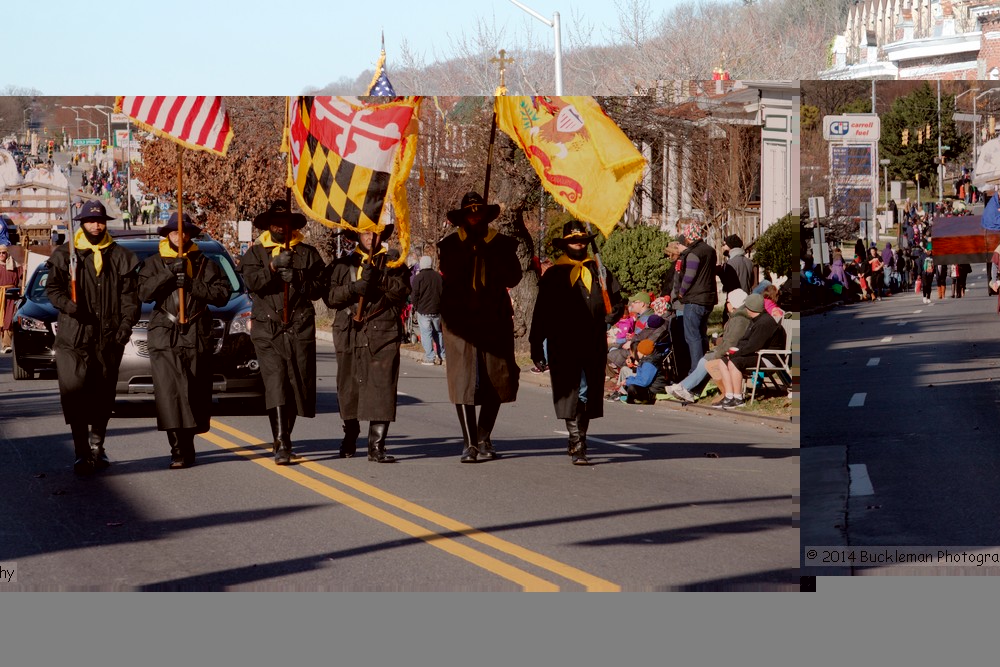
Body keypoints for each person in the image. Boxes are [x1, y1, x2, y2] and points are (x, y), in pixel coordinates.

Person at [46, 200, 139, 475]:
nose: (95, 226)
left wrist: (125, 327)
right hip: (74, 337)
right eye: (90, 221)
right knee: (75, 392)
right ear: (81, 223)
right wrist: (67, 304)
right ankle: (81, 452)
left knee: (103, 394)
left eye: (100, 221)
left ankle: (97, 448)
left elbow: (130, 298)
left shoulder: (120, 256)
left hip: (108, 337)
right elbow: (53, 289)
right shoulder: (66, 255)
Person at [137, 212, 229, 468]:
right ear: (168, 234)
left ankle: (188, 442)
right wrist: (168, 273)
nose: (180, 236)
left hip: (197, 331)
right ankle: (177, 449)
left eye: (185, 232)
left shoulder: (206, 263)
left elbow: (222, 294)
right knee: (170, 392)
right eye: (175, 232)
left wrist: (190, 283)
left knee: (194, 391)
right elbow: (143, 293)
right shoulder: (154, 263)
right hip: (165, 333)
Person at [239, 200, 327, 465]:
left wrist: (297, 278)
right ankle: (282, 442)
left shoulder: (308, 253)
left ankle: (285, 433)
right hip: (267, 326)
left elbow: (318, 289)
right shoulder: (255, 254)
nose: (280, 228)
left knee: (294, 383)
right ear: (268, 225)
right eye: (275, 223)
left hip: (299, 325)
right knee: (275, 381)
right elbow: (251, 284)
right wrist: (273, 268)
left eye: (285, 224)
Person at [530, 221, 623, 465]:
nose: (578, 244)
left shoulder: (599, 270)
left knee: (587, 391)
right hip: (563, 341)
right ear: (565, 244)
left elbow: (617, 302)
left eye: (582, 240)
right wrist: (536, 344)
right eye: (573, 240)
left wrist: (610, 316)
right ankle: (577, 440)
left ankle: (580, 436)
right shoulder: (554, 274)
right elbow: (541, 313)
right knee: (572, 390)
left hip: (591, 339)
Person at [438, 192, 522, 463]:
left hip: (493, 319)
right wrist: (470, 250)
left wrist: (489, 253)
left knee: (497, 378)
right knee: (462, 379)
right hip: (460, 321)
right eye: (469, 213)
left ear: (486, 216)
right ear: (462, 217)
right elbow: (450, 274)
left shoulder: (503, 244)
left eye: (479, 213)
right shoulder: (449, 245)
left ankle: (484, 435)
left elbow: (514, 277)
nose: (474, 217)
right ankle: (469, 443)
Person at [324, 227, 411, 462]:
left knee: (382, 387)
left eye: (375, 232)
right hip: (349, 332)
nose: (370, 236)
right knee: (348, 387)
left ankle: (377, 445)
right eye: (365, 232)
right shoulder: (342, 265)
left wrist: (381, 279)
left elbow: (402, 293)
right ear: (357, 236)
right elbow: (330, 297)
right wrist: (353, 289)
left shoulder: (394, 263)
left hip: (382, 332)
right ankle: (350, 434)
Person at [668, 288, 751, 404]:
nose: (727, 304)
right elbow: (731, 339)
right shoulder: (738, 318)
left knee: (706, 361)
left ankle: (686, 388)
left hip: (736, 354)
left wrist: (717, 352)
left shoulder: (740, 319)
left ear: (734, 304)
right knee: (707, 360)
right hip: (734, 351)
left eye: (728, 301)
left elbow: (731, 342)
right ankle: (689, 389)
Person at [704, 293, 784, 409]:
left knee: (735, 362)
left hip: (768, 357)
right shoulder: (755, 320)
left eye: (746, 306)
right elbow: (744, 340)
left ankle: (738, 398)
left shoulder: (764, 323)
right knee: (723, 361)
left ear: (752, 308)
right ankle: (729, 396)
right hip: (758, 354)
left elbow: (753, 346)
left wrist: (736, 353)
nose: (745, 308)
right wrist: (731, 352)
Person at [675, 221, 718, 378]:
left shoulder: (694, 253)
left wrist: (681, 292)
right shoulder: (710, 250)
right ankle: (706, 369)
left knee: (692, 337)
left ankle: (695, 372)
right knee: (702, 335)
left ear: (688, 237)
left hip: (694, 299)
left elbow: (689, 275)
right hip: (709, 298)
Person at [410, 254, 445, 366]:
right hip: (437, 309)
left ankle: (430, 357)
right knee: (437, 332)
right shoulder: (438, 277)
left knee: (426, 333)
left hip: (423, 310)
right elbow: (442, 292)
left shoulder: (419, 278)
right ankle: (442, 355)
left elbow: (415, 294)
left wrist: (415, 306)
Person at [718, 233, 754, 323]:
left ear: (731, 246)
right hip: (747, 300)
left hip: (734, 302)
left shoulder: (730, 263)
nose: (722, 247)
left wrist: (720, 273)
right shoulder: (749, 262)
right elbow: (752, 281)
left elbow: (727, 283)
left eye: (724, 245)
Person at [0, 246, 24, 353]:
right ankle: (4, 343)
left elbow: (23, 276)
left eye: (3, 253)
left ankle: (6, 344)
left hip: (11, 296)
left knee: (9, 319)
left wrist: (26, 268)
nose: (1, 255)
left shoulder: (14, 265)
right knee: (1, 320)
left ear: (7, 254)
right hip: (0, 296)